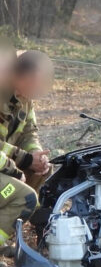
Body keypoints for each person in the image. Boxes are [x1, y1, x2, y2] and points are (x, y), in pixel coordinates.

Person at [0, 49, 55, 254]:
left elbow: (29, 131)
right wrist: (21, 163)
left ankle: (13, 227)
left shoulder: (25, 98)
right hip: (3, 165)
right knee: (24, 197)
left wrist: (37, 155)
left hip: (5, 163)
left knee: (42, 170)